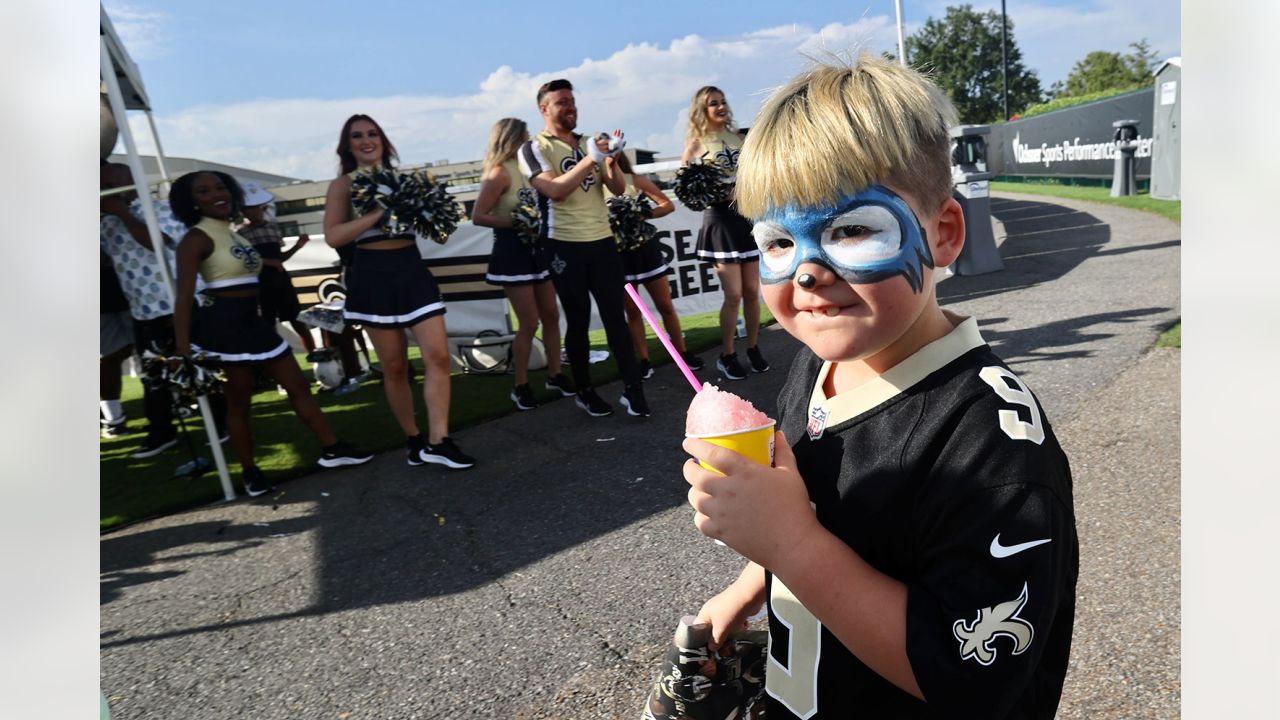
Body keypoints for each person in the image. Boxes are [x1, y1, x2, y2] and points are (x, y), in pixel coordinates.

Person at [682, 56, 1078, 719]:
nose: (807, 273)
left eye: (852, 229)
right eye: (780, 241)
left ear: (944, 233)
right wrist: (752, 584)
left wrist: (790, 547)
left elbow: (969, 675)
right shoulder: (817, 365)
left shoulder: (992, 447)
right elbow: (817, 519)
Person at [170, 171, 373, 496]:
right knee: (239, 402)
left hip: (254, 322)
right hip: (225, 327)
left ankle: (332, 449)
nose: (216, 194)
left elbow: (240, 268)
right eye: (204, 191)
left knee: (297, 386)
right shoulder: (195, 239)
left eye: (221, 187)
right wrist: (182, 348)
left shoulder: (233, 233)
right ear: (191, 201)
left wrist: (269, 263)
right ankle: (250, 473)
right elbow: (183, 296)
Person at [322, 114, 476, 469]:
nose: (366, 140)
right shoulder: (343, 185)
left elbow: (435, 228)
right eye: (357, 135)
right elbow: (334, 237)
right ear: (347, 145)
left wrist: (430, 210)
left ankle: (440, 440)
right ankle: (414, 439)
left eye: (372, 133)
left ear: (383, 140)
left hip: (411, 270)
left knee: (437, 356)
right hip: (372, 277)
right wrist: (378, 213)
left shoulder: (405, 180)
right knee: (394, 367)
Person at [518, 79, 650, 418]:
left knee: (615, 318)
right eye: (562, 102)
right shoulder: (534, 147)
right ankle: (584, 390)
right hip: (563, 244)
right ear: (544, 109)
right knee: (577, 321)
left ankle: (634, 390)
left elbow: (618, 189)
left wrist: (610, 159)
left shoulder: (587, 144)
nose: (570, 107)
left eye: (572, 101)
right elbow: (554, 190)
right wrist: (591, 159)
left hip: (602, 241)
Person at [100, 163, 227, 458]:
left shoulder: (162, 210)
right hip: (143, 311)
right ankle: (162, 433)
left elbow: (160, 244)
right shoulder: (105, 223)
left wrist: (121, 212)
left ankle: (221, 423)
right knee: (153, 377)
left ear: (129, 183)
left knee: (199, 368)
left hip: (179, 303)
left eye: (110, 186)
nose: (106, 195)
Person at [470, 117, 572, 411]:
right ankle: (521, 384)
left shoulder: (532, 168)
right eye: (525, 136)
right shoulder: (499, 172)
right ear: (511, 138)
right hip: (512, 252)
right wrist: (517, 223)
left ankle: (556, 374)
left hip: (538, 250)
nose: (530, 141)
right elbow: (478, 215)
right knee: (529, 322)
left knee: (551, 315)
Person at [681, 86, 769, 381]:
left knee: (751, 294)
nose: (720, 107)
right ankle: (727, 354)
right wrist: (718, 191)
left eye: (722, 101)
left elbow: (756, 174)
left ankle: (754, 348)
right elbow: (688, 190)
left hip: (744, 218)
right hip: (720, 221)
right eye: (712, 104)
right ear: (701, 110)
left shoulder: (740, 139)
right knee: (733, 295)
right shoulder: (695, 145)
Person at [608, 153, 705, 379]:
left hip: (646, 251)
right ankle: (643, 360)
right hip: (618, 256)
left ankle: (682, 353)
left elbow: (667, 204)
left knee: (665, 305)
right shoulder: (595, 187)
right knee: (632, 311)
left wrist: (641, 215)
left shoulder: (635, 179)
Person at [236, 181, 317, 356]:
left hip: (281, 279)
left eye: (253, 208)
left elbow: (280, 259)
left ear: (263, 209)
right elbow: (243, 260)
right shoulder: (240, 233)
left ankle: (314, 353)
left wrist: (297, 246)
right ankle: (273, 357)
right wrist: (266, 262)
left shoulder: (274, 228)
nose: (249, 212)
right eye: (246, 209)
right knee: (268, 323)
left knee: (297, 319)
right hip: (261, 282)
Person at [100, 249, 134, 437]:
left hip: (134, 283)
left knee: (152, 353)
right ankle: (113, 420)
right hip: (105, 293)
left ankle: (113, 420)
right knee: (107, 359)